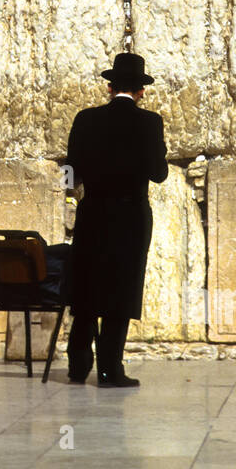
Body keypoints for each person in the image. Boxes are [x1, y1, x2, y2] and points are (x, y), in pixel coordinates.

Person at [64, 52, 168, 388]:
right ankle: (110, 368)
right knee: (121, 288)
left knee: (87, 283)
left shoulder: (85, 119)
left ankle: (78, 363)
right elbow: (159, 173)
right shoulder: (150, 123)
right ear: (140, 91)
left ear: (110, 87)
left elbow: (70, 173)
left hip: (93, 211)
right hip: (131, 216)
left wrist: (74, 192)